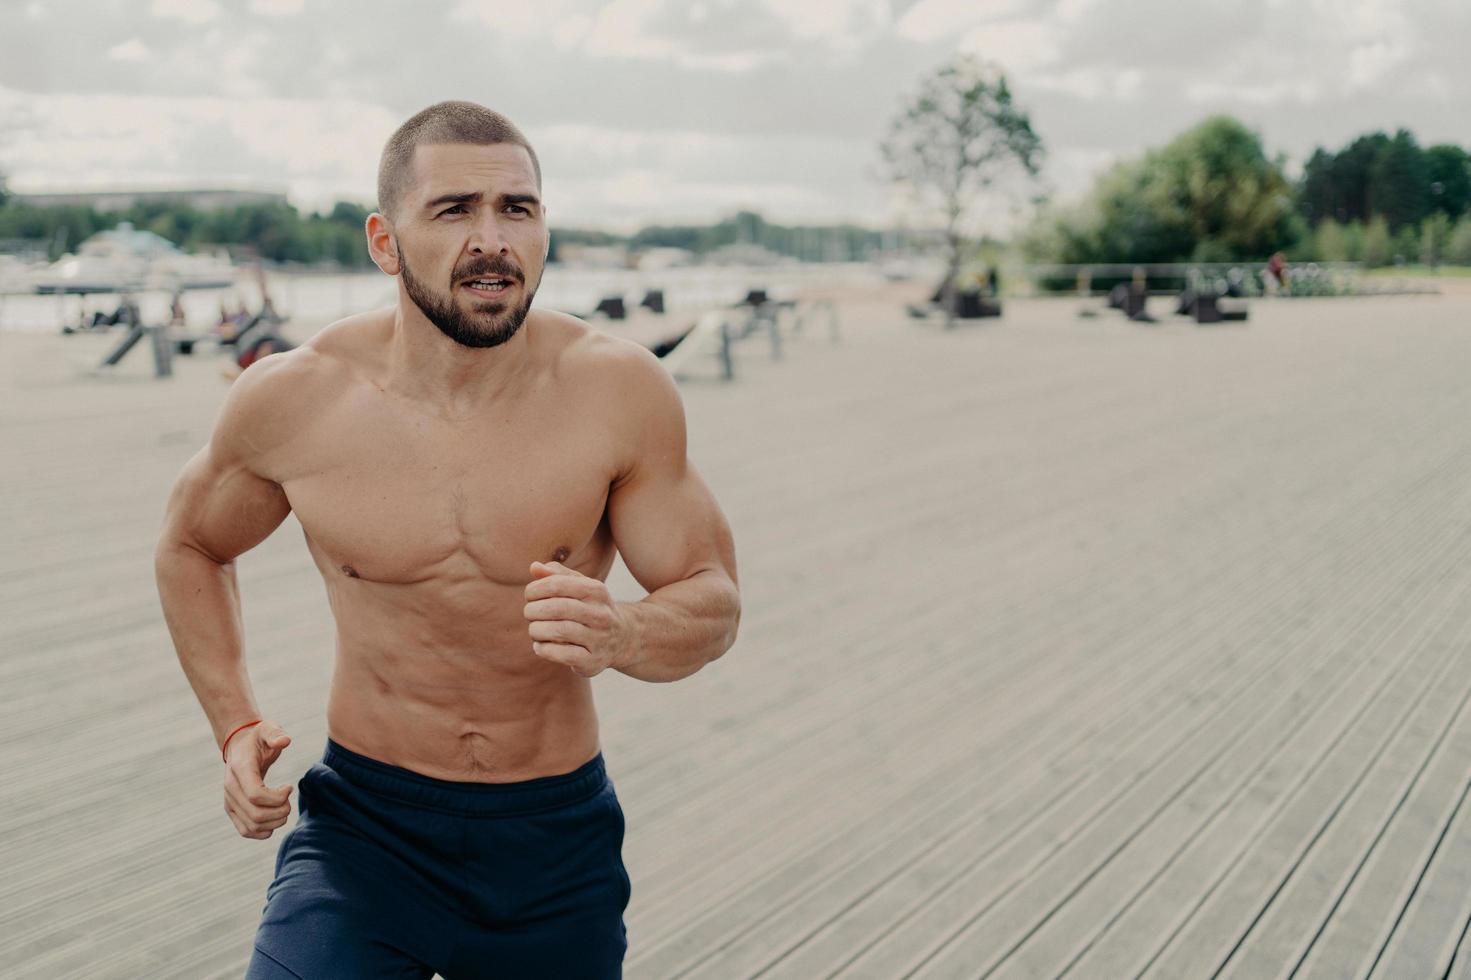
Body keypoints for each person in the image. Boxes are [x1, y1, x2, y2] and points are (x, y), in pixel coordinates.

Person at [154, 101, 741, 979]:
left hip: (553, 842)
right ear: (385, 242)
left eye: (517, 209)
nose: (492, 238)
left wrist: (627, 632)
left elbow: (712, 600)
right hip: (364, 831)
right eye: (454, 209)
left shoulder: (618, 392)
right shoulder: (297, 399)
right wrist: (233, 722)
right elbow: (191, 546)